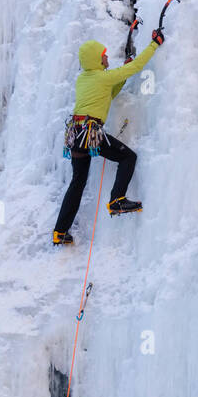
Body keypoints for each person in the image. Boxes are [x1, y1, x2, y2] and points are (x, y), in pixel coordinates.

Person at [52, 28, 164, 245]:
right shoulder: (102, 77)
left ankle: (60, 232)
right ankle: (117, 200)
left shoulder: (84, 79)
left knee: (77, 182)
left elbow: (108, 94)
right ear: (96, 59)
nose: (106, 58)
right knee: (128, 157)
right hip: (89, 132)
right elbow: (136, 67)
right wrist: (154, 44)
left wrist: (120, 73)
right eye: (103, 55)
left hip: (75, 134)